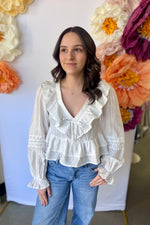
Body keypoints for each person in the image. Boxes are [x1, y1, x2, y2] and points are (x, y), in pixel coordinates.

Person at [28, 26, 124, 225]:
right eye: (64, 49)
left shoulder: (104, 92)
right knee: (44, 220)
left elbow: (115, 133)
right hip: (54, 169)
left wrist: (108, 168)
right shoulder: (46, 91)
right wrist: (39, 177)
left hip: (89, 170)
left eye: (77, 49)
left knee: (83, 219)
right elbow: (37, 135)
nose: (69, 56)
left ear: (88, 53)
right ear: (58, 54)